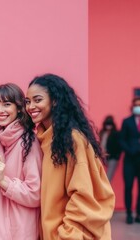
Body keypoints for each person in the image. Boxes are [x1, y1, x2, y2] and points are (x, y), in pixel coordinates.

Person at [25, 73, 115, 239]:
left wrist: (66, 235)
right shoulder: (42, 140)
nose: (31, 106)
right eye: (28, 101)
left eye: (38, 100)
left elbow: (83, 196)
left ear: (55, 100)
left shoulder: (72, 139)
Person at [0, 83, 42, 240]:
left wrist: (4, 182)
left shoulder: (28, 142)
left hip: (20, 229)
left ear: (19, 108)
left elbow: (35, 193)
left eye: (6, 104)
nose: (0, 110)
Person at [119, 96, 140, 224]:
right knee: (128, 186)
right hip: (130, 160)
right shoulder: (127, 121)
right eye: (136, 105)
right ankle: (128, 213)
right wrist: (130, 149)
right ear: (132, 107)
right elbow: (121, 139)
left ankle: (138, 213)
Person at [99, 115, 122, 181]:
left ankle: (106, 191)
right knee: (100, 176)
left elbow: (119, 146)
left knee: (108, 178)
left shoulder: (116, 133)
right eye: (107, 124)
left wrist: (117, 156)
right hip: (102, 157)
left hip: (113, 157)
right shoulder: (102, 132)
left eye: (110, 124)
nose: (108, 125)